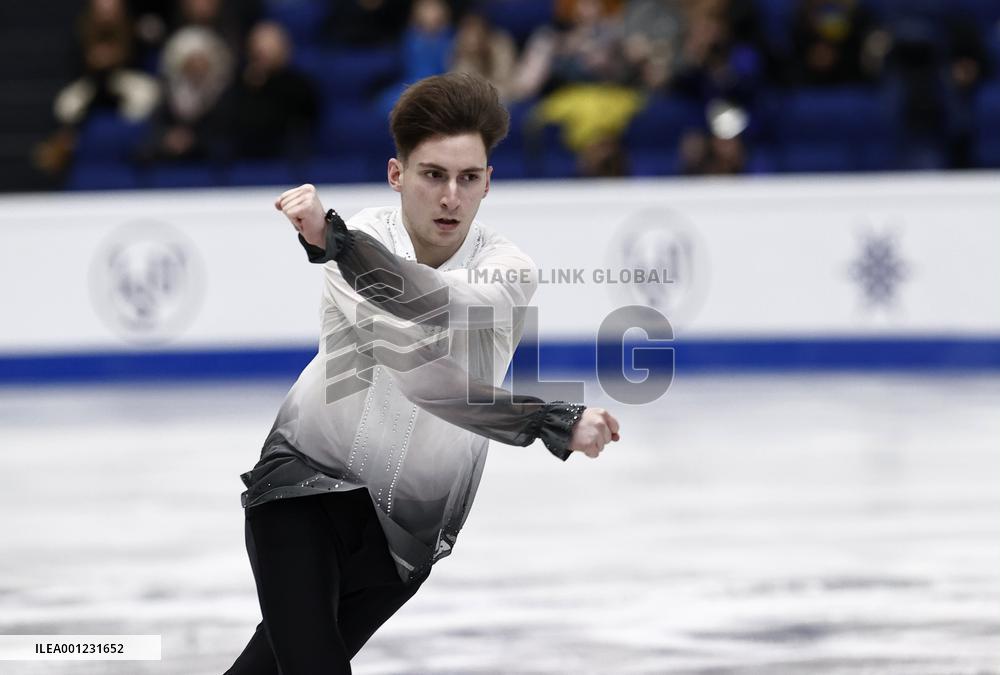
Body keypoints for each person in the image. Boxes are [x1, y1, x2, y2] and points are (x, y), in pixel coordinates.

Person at [225, 72, 620, 674]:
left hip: (407, 530)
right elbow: (418, 374)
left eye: (468, 178)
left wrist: (331, 241)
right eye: (433, 174)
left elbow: (440, 300)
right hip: (304, 483)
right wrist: (549, 420)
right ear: (397, 175)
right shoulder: (356, 244)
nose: (450, 197)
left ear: (489, 183)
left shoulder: (508, 269)